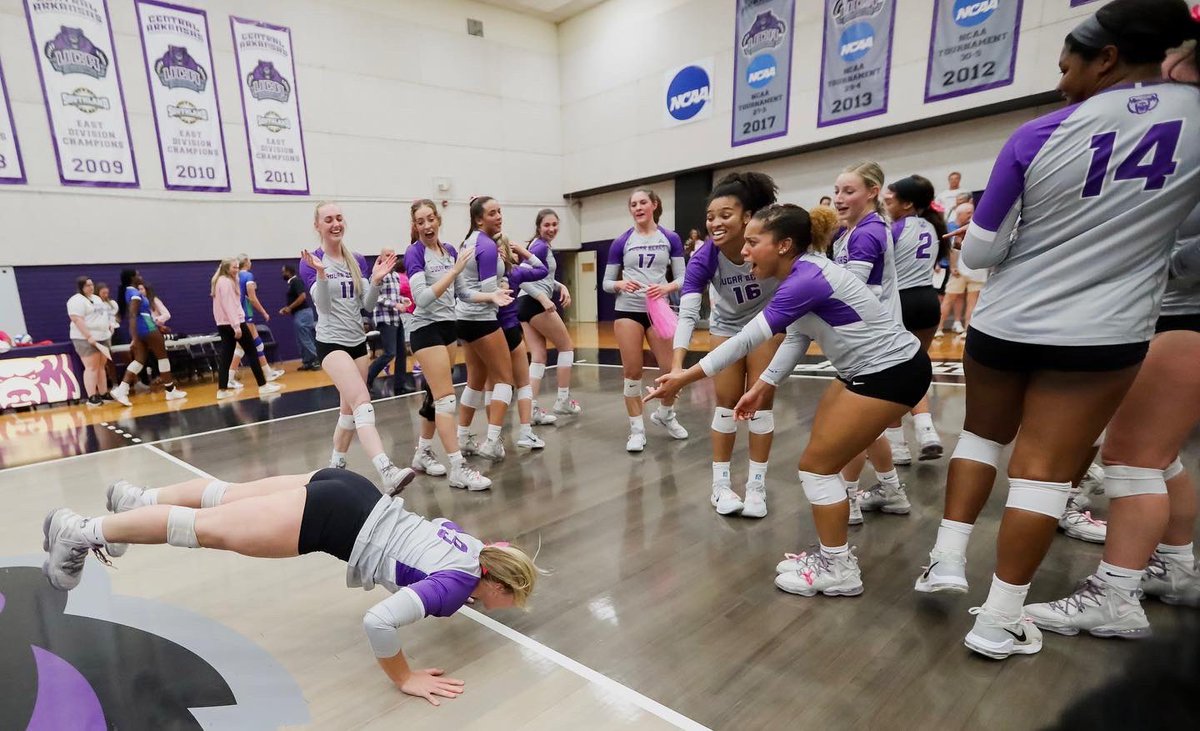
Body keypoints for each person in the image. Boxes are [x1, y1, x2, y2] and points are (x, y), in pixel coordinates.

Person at [912, 0, 1200, 661]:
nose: (1061, 77)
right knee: (1044, 473)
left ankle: (947, 560)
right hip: (1104, 331)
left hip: (1009, 321)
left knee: (982, 436)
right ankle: (998, 619)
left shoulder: (1037, 133)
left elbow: (979, 253)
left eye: (1067, 64)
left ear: (1106, 58)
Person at [40, 467, 539, 705]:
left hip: (352, 488)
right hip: (332, 520)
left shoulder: (477, 546)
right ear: (495, 582)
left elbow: (432, 533)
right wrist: (403, 676)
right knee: (199, 528)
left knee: (227, 497)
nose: (504, 607)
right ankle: (80, 532)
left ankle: (137, 497)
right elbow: (380, 621)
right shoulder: (456, 587)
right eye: (508, 598)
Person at [646, 204, 931, 597]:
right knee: (822, 456)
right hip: (874, 371)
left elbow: (747, 339)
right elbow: (797, 336)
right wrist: (763, 384)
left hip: (890, 374)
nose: (743, 252)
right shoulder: (803, 272)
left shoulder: (805, 279)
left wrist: (684, 376)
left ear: (783, 245)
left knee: (816, 467)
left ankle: (838, 568)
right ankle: (846, 536)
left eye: (752, 242)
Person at [673, 172, 780, 518]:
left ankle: (756, 487)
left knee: (760, 404)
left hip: (768, 322)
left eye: (725, 215)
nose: (715, 223)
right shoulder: (705, 255)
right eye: (710, 217)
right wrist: (677, 366)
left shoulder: (767, 244)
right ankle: (720, 486)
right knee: (726, 405)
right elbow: (687, 313)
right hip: (728, 324)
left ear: (747, 217)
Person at [300, 201, 416, 495]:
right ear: (318, 226)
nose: (335, 223)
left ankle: (333, 467)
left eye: (339, 218)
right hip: (331, 344)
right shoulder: (311, 260)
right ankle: (386, 469)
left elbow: (366, 306)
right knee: (363, 401)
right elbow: (323, 308)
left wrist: (375, 281)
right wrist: (322, 274)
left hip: (357, 343)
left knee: (349, 412)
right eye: (328, 219)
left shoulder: (357, 260)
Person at [830, 162, 906, 523]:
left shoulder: (866, 233)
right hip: (867, 343)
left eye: (849, 191)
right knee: (870, 424)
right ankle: (891, 490)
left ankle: (847, 499)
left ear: (873, 192)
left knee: (851, 425)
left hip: (874, 345)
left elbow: (853, 294)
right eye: (837, 191)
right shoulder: (850, 231)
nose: (839, 198)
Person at [406, 199, 491, 491]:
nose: (427, 225)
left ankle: (422, 453)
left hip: (447, 328)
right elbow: (422, 298)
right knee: (446, 399)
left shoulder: (450, 251)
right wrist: (454, 272)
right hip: (424, 329)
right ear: (415, 226)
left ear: (438, 220)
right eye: (421, 221)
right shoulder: (414, 253)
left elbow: (463, 293)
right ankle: (458, 468)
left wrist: (491, 297)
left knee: (433, 397)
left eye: (431, 219)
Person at [602, 187, 689, 452]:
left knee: (670, 370)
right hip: (628, 310)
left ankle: (665, 415)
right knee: (632, 373)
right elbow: (606, 283)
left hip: (659, 309)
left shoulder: (670, 238)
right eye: (633, 204)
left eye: (643, 203)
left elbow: (683, 278)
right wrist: (620, 284)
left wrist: (667, 288)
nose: (638, 208)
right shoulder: (622, 242)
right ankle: (637, 430)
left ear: (653, 205)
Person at [882, 175, 948, 464]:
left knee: (890, 375)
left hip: (902, 302)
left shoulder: (893, 229)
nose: (886, 202)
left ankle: (898, 447)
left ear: (907, 204)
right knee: (916, 368)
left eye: (891, 198)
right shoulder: (933, 227)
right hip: (928, 301)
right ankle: (927, 431)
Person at [454, 196, 519, 463]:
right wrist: (502, 288)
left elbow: (466, 289)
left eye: (500, 211)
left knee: (476, 379)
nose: (499, 217)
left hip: (464, 319)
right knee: (505, 379)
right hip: (482, 320)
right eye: (493, 213)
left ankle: (463, 436)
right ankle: (492, 441)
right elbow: (489, 290)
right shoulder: (487, 246)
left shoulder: (466, 242)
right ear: (479, 219)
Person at [518, 209, 580, 426]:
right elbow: (520, 278)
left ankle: (531, 408)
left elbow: (542, 276)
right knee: (566, 347)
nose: (551, 229)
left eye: (555, 224)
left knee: (538, 356)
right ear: (538, 226)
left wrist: (560, 285)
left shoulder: (538, 246)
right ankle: (563, 399)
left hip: (524, 305)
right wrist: (543, 299)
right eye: (547, 225)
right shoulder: (540, 246)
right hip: (533, 303)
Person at [489, 234, 549, 449]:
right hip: (510, 331)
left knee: (491, 385)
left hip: (488, 333)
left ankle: (492, 438)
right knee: (522, 383)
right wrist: (524, 252)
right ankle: (525, 432)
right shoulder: (514, 272)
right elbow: (542, 269)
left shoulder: (481, 276)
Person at [110, 269, 185, 406]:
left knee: (139, 361)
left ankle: (122, 389)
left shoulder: (129, 292)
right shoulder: (134, 293)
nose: (140, 277)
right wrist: (134, 337)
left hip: (144, 326)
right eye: (138, 275)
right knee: (162, 357)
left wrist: (139, 334)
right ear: (132, 278)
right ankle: (170, 390)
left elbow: (135, 315)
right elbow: (132, 315)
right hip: (147, 327)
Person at [212, 259, 277, 399]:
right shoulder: (226, 282)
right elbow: (229, 305)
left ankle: (222, 390)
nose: (237, 270)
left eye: (237, 267)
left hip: (223, 324)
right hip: (234, 323)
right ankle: (263, 385)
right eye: (234, 267)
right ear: (226, 268)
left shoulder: (220, 281)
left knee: (226, 355)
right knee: (252, 352)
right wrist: (236, 326)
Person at [229, 255, 284, 386]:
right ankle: (229, 377)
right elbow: (252, 298)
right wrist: (264, 312)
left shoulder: (234, 277)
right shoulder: (247, 276)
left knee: (257, 344)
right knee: (241, 347)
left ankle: (267, 372)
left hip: (240, 313)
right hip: (245, 314)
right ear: (246, 263)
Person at [367, 248, 413, 396]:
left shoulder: (395, 275)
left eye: (393, 255)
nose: (391, 257)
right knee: (390, 353)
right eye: (387, 255)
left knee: (401, 353)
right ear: (380, 257)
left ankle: (400, 385)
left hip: (395, 318)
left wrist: (401, 300)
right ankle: (366, 379)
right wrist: (395, 305)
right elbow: (376, 297)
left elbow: (393, 295)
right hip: (384, 318)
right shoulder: (378, 274)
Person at [67, 276, 114, 407]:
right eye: (87, 285)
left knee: (101, 366)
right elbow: (77, 320)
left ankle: (104, 393)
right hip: (85, 338)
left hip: (103, 337)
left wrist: (109, 327)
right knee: (91, 367)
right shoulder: (75, 301)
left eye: (92, 284)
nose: (91, 287)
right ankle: (92, 396)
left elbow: (103, 315)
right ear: (81, 287)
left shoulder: (97, 298)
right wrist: (88, 336)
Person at [280, 264, 319, 371]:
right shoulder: (292, 283)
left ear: (289, 272)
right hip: (299, 314)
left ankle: (316, 360)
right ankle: (307, 362)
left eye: (283, 272)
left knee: (305, 338)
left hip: (303, 314)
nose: (282, 274)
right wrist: (288, 308)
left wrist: (290, 308)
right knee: (301, 339)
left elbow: (302, 296)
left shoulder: (296, 281)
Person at [96, 281, 119, 397]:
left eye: (107, 293)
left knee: (127, 354)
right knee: (109, 360)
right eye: (103, 293)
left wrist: (113, 325)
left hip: (116, 330)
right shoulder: (96, 305)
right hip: (105, 333)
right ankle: (114, 384)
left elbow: (114, 317)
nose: (105, 295)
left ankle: (136, 381)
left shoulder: (113, 303)